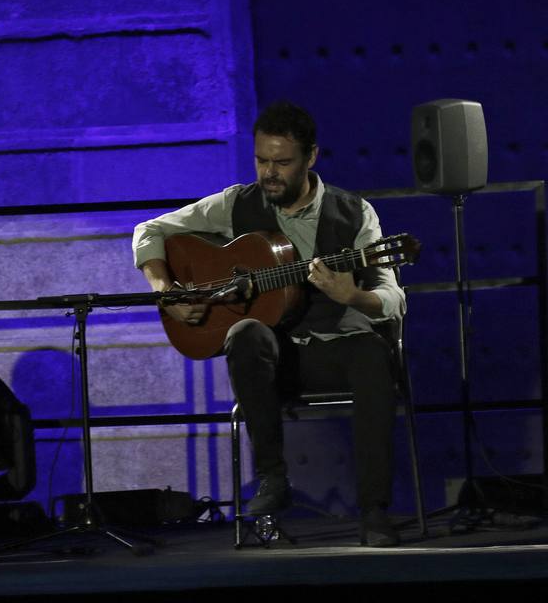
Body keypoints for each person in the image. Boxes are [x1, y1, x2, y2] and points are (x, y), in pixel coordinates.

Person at [131, 101, 406, 546]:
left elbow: (393, 298)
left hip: (333, 348)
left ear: (311, 157)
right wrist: (168, 292)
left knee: (374, 355)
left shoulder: (355, 214)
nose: (270, 173)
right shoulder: (236, 203)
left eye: (282, 162)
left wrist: (352, 295)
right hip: (270, 357)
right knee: (244, 332)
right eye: (262, 161)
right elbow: (149, 230)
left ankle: (374, 511)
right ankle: (273, 480)